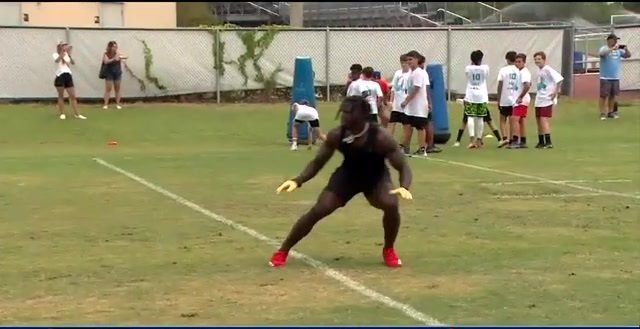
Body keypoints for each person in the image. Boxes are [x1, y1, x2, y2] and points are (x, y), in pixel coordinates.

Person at [270, 96, 413, 268]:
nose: (343, 116)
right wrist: (297, 180)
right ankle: (283, 250)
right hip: (347, 177)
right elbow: (318, 162)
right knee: (320, 208)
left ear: (362, 115)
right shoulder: (337, 135)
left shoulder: (381, 137)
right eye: (343, 112)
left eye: (348, 113)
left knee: (390, 204)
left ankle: (389, 249)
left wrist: (404, 186)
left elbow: (403, 166)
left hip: (376, 178)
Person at [399, 51, 430, 156]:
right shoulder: (411, 73)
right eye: (407, 60)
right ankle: (404, 146)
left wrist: (406, 100)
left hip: (419, 105)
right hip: (411, 107)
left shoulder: (419, 73)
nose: (409, 62)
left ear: (417, 59)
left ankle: (422, 149)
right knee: (407, 125)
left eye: (411, 59)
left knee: (419, 126)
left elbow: (416, 89)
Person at [533, 51, 563, 149]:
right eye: (536, 59)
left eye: (539, 59)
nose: (537, 61)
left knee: (543, 119)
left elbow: (559, 79)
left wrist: (555, 92)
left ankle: (548, 142)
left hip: (546, 98)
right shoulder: (539, 71)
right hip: (539, 98)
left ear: (544, 60)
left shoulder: (548, 69)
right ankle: (541, 141)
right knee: (538, 119)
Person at [598, 33, 631, 120]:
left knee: (612, 96)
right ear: (609, 40)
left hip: (615, 77)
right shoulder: (604, 48)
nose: (616, 41)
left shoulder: (619, 50)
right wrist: (612, 49)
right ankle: (602, 113)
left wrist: (626, 49)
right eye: (614, 40)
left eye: (616, 40)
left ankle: (610, 112)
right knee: (603, 96)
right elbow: (602, 54)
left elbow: (628, 55)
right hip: (605, 77)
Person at [462, 50, 490, 149]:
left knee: (470, 117)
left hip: (471, 95)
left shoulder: (468, 68)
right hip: (481, 96)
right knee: (480, 118)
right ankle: (479, 140)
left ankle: (471, 140)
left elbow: (467, 75)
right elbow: (486, 75)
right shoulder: (485, 68)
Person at [53, 42, 86, 120]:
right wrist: (62, 53)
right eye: (62, 46)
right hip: (60, 76)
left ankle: (77, 114)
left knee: (73, 96)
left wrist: (68, 53)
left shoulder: (67, 55)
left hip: (68, 75)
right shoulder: (55, 54)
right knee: (61, 95)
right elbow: (57, 61)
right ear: (59, 48)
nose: (64, 48)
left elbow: (72, 62)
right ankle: (62, 113)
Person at [507, 53, 532, 149]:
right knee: (520, 120)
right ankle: (523, 140)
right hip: (518, 99)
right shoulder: (519, 72)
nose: (517, 64)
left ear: (524, 62)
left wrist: (520, 96)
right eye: (516, 62)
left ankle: (515, 140)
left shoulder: (524, 72)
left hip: (521, 100)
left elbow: (527, 85)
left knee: (514, 119)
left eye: (519, 62)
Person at [496, 51, 519, 148]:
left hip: (505, 98)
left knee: (502, 119)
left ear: (507, 59)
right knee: (512, 120)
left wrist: (498, 98)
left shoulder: (503, 70)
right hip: (515, 98)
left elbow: (500, 84)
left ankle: (504, 138)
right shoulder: (518, 71)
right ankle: (512, 139)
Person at [388, 55, 411, 138]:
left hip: (406, 103)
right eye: (402, 62)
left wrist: (407, 101)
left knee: (406, 124)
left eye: (405, 62)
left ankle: (405, 144)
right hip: (396, 104)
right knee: (391, 122)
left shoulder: (411, 73)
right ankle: (389, 141)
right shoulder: (398, 73)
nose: (403, 64)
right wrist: (391, 101)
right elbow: (393, 88)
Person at [101, 41, 128, 110]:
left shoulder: (118, 54)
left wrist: (123, 59)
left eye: (116, 47)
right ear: (110, 47)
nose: (115, 48)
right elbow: (106, 61)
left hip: (117, 73)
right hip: (109, 73)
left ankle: (118, 104)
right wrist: (113, 59)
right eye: (114, 47)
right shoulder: (106, 54)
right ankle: (106, 104)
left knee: (117, 89)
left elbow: (122, 59)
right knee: (108, 89)